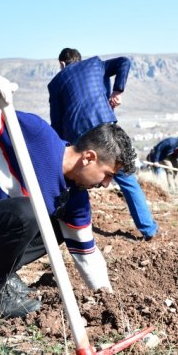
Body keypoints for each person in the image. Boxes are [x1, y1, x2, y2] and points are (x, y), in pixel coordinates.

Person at [0, 75, 136, 318]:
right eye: (108, 174)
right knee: (30, 212)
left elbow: (87, 255)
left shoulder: (75, 198)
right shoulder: (36, 136)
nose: (107, 184)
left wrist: (107, 302)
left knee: (56, 227)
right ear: (89, 158)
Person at [48, 48, 158, 240]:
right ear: (79, 59)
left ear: (62, 64)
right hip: (106, 129)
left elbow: (56, 123)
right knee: (126, 177)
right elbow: (124, 61)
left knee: (76, 180)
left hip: (79, 137)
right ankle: (149, 230)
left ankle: (74, 228)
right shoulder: (95, 64)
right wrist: (117, 90)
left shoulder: (57, 81)